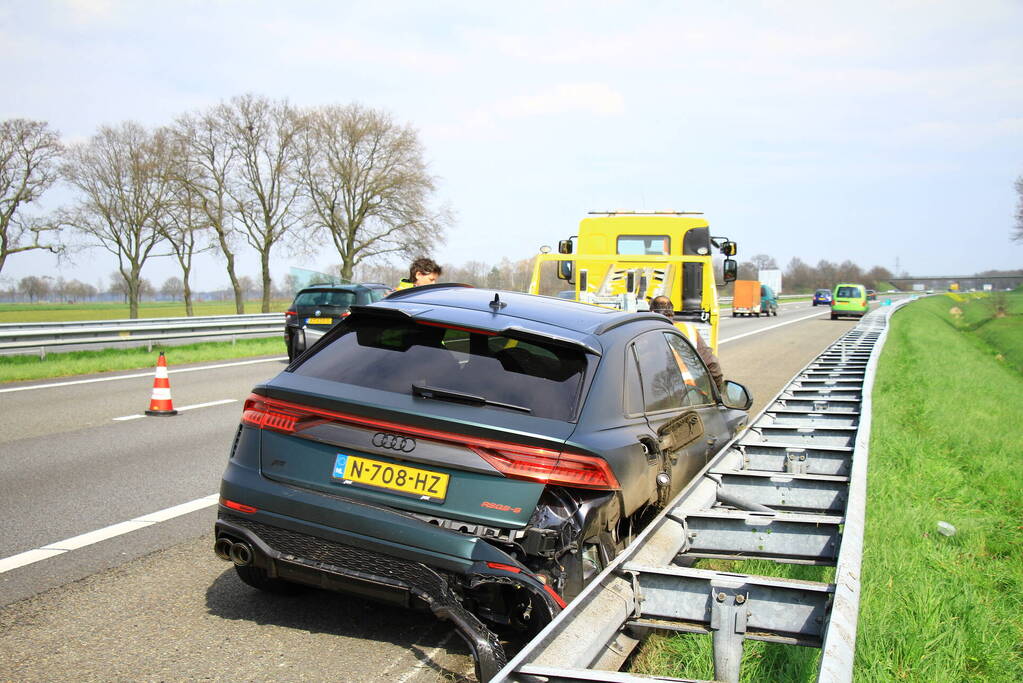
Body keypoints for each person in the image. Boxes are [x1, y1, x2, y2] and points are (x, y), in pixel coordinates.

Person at [649, 295, 724, 391]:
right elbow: (712, 364)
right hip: (691, 394)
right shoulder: (689, 330)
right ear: (672, 312)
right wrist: (719, 392)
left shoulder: (644, 334)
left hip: (658, 396)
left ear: (652, 312)